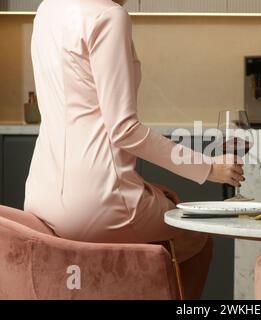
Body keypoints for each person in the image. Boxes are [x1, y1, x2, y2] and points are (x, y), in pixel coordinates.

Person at [24, 0, 244, 299]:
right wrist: (208, 167)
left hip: (42, 198)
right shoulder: (109, 16)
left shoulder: (47, 8)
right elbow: (125, 130)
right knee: (197, 238)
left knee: (159, 202)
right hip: (98, 202)